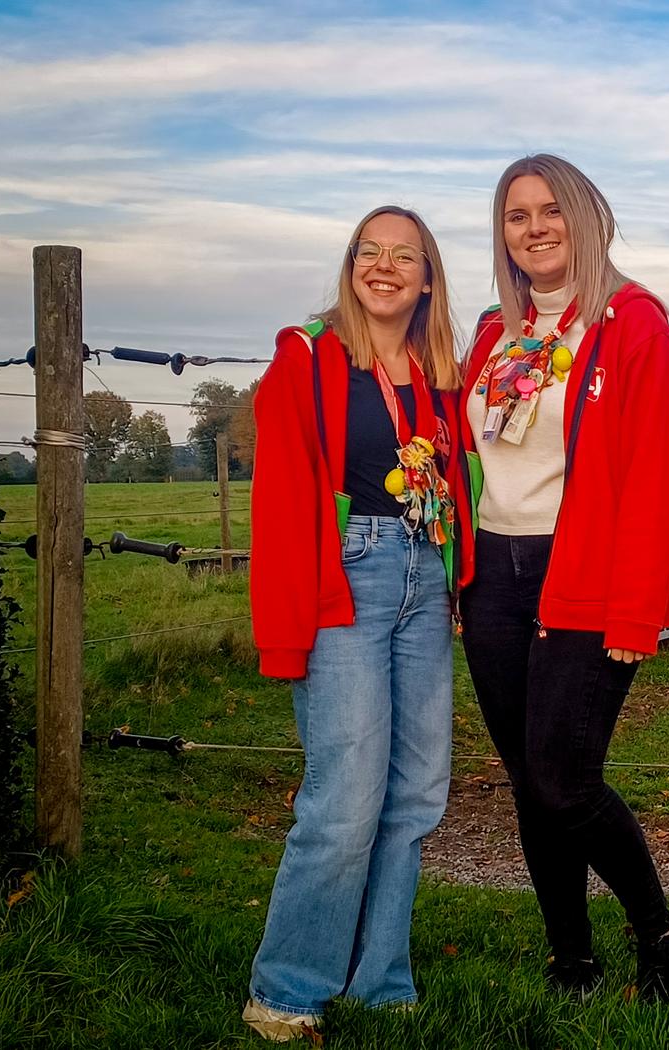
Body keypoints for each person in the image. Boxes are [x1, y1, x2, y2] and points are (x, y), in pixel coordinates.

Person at [455, 154, 669, 1001]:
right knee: (529, 780)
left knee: (566, 780)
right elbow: (463, 462)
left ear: (588, 219)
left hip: (582, 577)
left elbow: (656, 478)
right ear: (503, 234)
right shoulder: (495, 335)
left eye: (552, 209)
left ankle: (660, 935)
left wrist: (639, 616)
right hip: (494, 578)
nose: (536, 227)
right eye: (517, 215)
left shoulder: (635, 327)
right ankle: (570, 954)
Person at [243, 205, 469, 1041]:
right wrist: (292, 616)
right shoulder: (307, 356)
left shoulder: (441, 366)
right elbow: (280, 499)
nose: (384, 267)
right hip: (349, 572)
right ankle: (286, 989)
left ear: (428, 275)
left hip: (423, 572)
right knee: (344, 796)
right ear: (350, 266)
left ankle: (381, 981)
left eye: (403, 255)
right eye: (368, 252)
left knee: (414, 794)